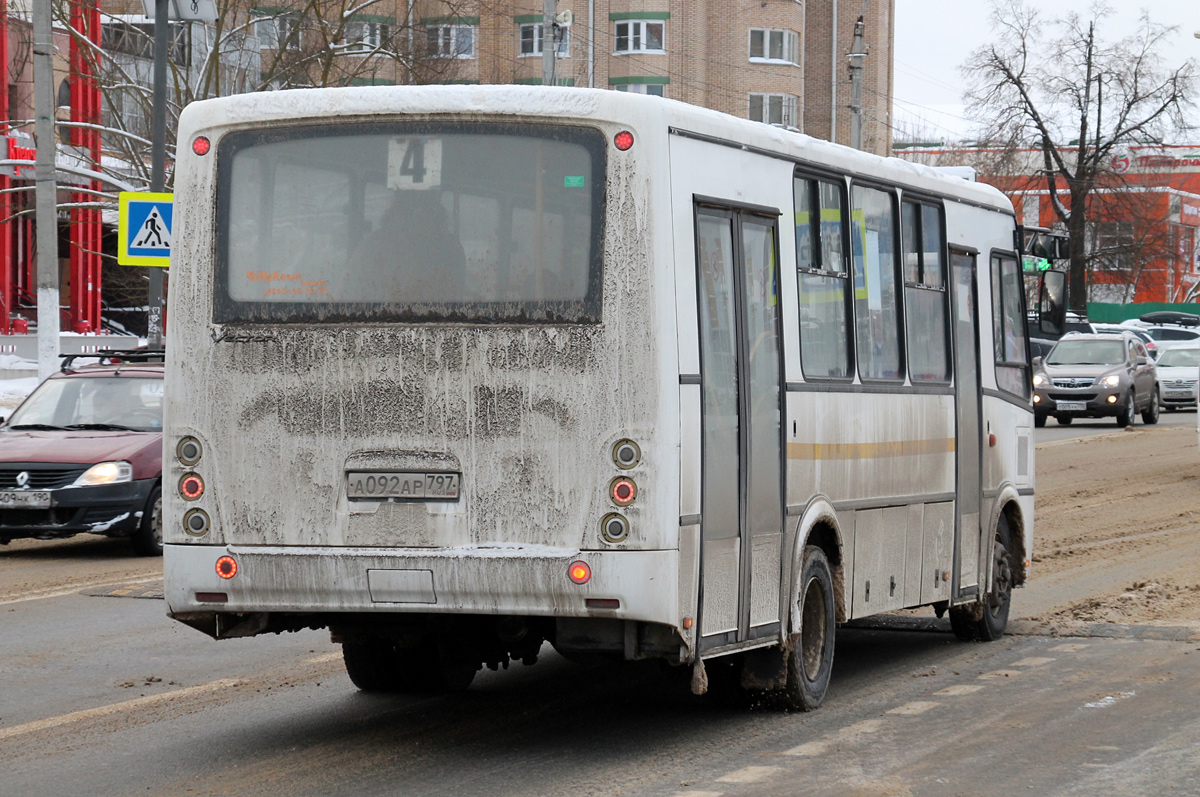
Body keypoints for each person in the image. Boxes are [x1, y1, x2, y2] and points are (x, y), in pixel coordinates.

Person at [345, 190, 467, 304]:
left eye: (425, 206)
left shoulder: (449, 249)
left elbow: (455, 297)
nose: (419, 214)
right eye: (411, 208)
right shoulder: (374, 246)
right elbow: (346, 297)